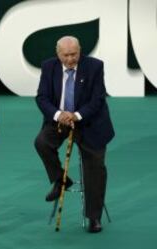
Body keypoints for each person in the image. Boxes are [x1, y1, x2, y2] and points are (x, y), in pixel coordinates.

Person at [34, 36, 115, 233]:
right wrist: (58, 114)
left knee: (94, 166)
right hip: (60, 120)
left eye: (74, 54)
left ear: (80, 51)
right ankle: (61, 179)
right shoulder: (49, 66)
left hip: (89, 121)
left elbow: (97, 99)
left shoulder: (94, 66)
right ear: (58, 53)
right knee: (42, 142)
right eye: (66, 55)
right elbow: (42, 97)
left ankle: (94, 217)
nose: (70, 59)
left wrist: (76, 115)